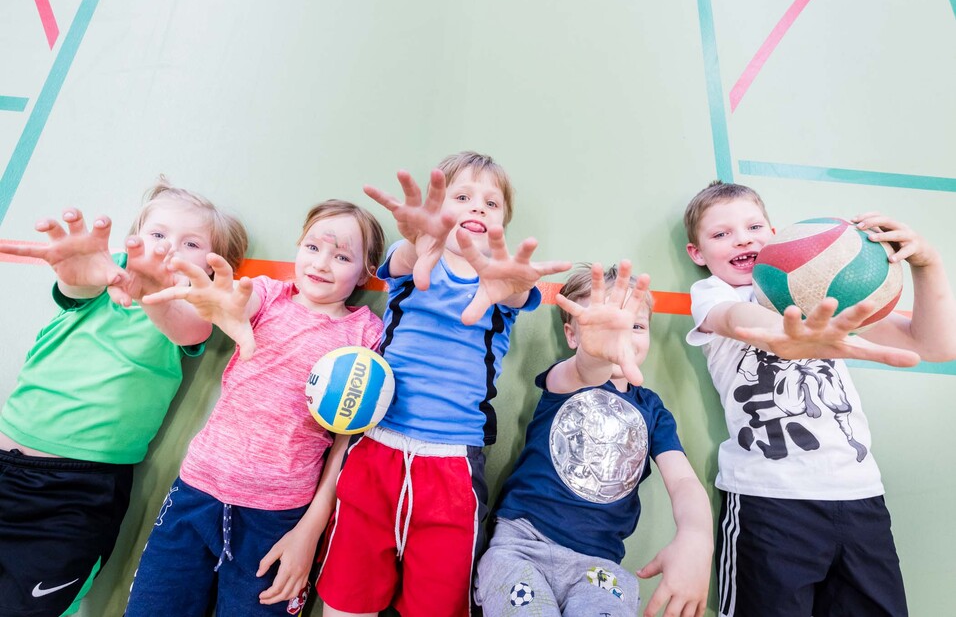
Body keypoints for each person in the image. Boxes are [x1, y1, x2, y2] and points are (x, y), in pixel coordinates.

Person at [682, 180, 956, 617]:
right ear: (698, 254)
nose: (742, 239)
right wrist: (793, 334)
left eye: (754, 226)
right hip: (768, 504)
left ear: (775, 236)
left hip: (859, 496)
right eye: (721, 234)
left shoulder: (817, 298)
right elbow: (739, 320)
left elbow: (937, 346)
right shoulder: (716, 295)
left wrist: (927, 262)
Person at [315, 151, 571, 617]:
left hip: (452, 467)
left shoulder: (502, 281)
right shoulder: (415, 261)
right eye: (462, 197)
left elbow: (515, 290)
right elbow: (407, 256)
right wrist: (420, 240)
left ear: (502, 225)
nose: (477, 208)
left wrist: (509, 278)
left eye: (491, 204)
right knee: (347, 602)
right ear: (437, 212)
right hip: (376, 448)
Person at [124, 199, 386, 617]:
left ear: (365, 271)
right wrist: (214, 303)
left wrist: (309, 531)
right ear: (299, 246)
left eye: (342, 256)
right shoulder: (266, 293)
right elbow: (229, 309)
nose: (322, 263)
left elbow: (347, 447)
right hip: (196, 495)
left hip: (277, 520)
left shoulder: (365, 333)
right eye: (314, 247)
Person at [0, 177, 248, 617]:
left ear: (210, 266)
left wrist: (153, 293)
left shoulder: (192, 302)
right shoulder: (104, 274)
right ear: (135, 239)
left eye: (190, 243)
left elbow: (189, 328)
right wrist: (76, 279)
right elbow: (77, 289)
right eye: (157, 235)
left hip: (77, 491)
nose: (168, 248)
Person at [474, 261, 713, 617]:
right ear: (572, 336)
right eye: (604, 325)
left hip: (598, 568)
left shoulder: (652, 410)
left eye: (636, 325)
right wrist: (596, 350)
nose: (622, 336)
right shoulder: (564, 379)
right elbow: (587, 367)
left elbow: (682, 482)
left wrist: (697, 539)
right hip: (521, 548)